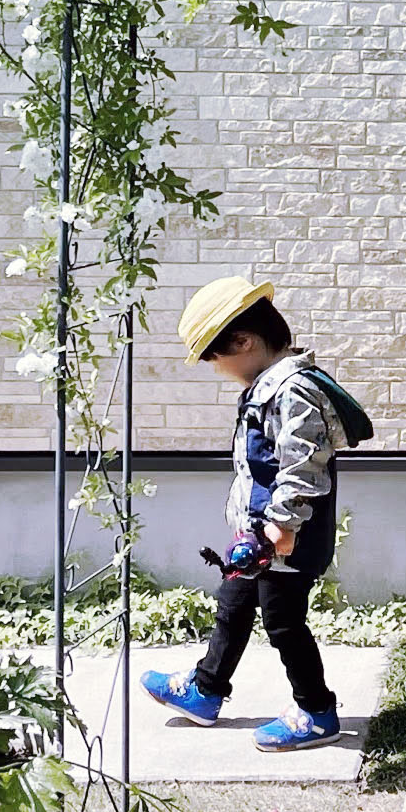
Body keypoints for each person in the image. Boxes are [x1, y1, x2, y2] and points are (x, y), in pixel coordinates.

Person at [141, 275, 350, 752]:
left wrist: (281, 524)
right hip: (257, 537)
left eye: (217, 358)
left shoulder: (292, 390)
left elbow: (303, 464)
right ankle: (205, 690)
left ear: (243, 341)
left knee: (284, 624)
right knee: (232, 607)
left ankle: (318, 712)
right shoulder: (268, 387)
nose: (218, 369)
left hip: (285, 540)